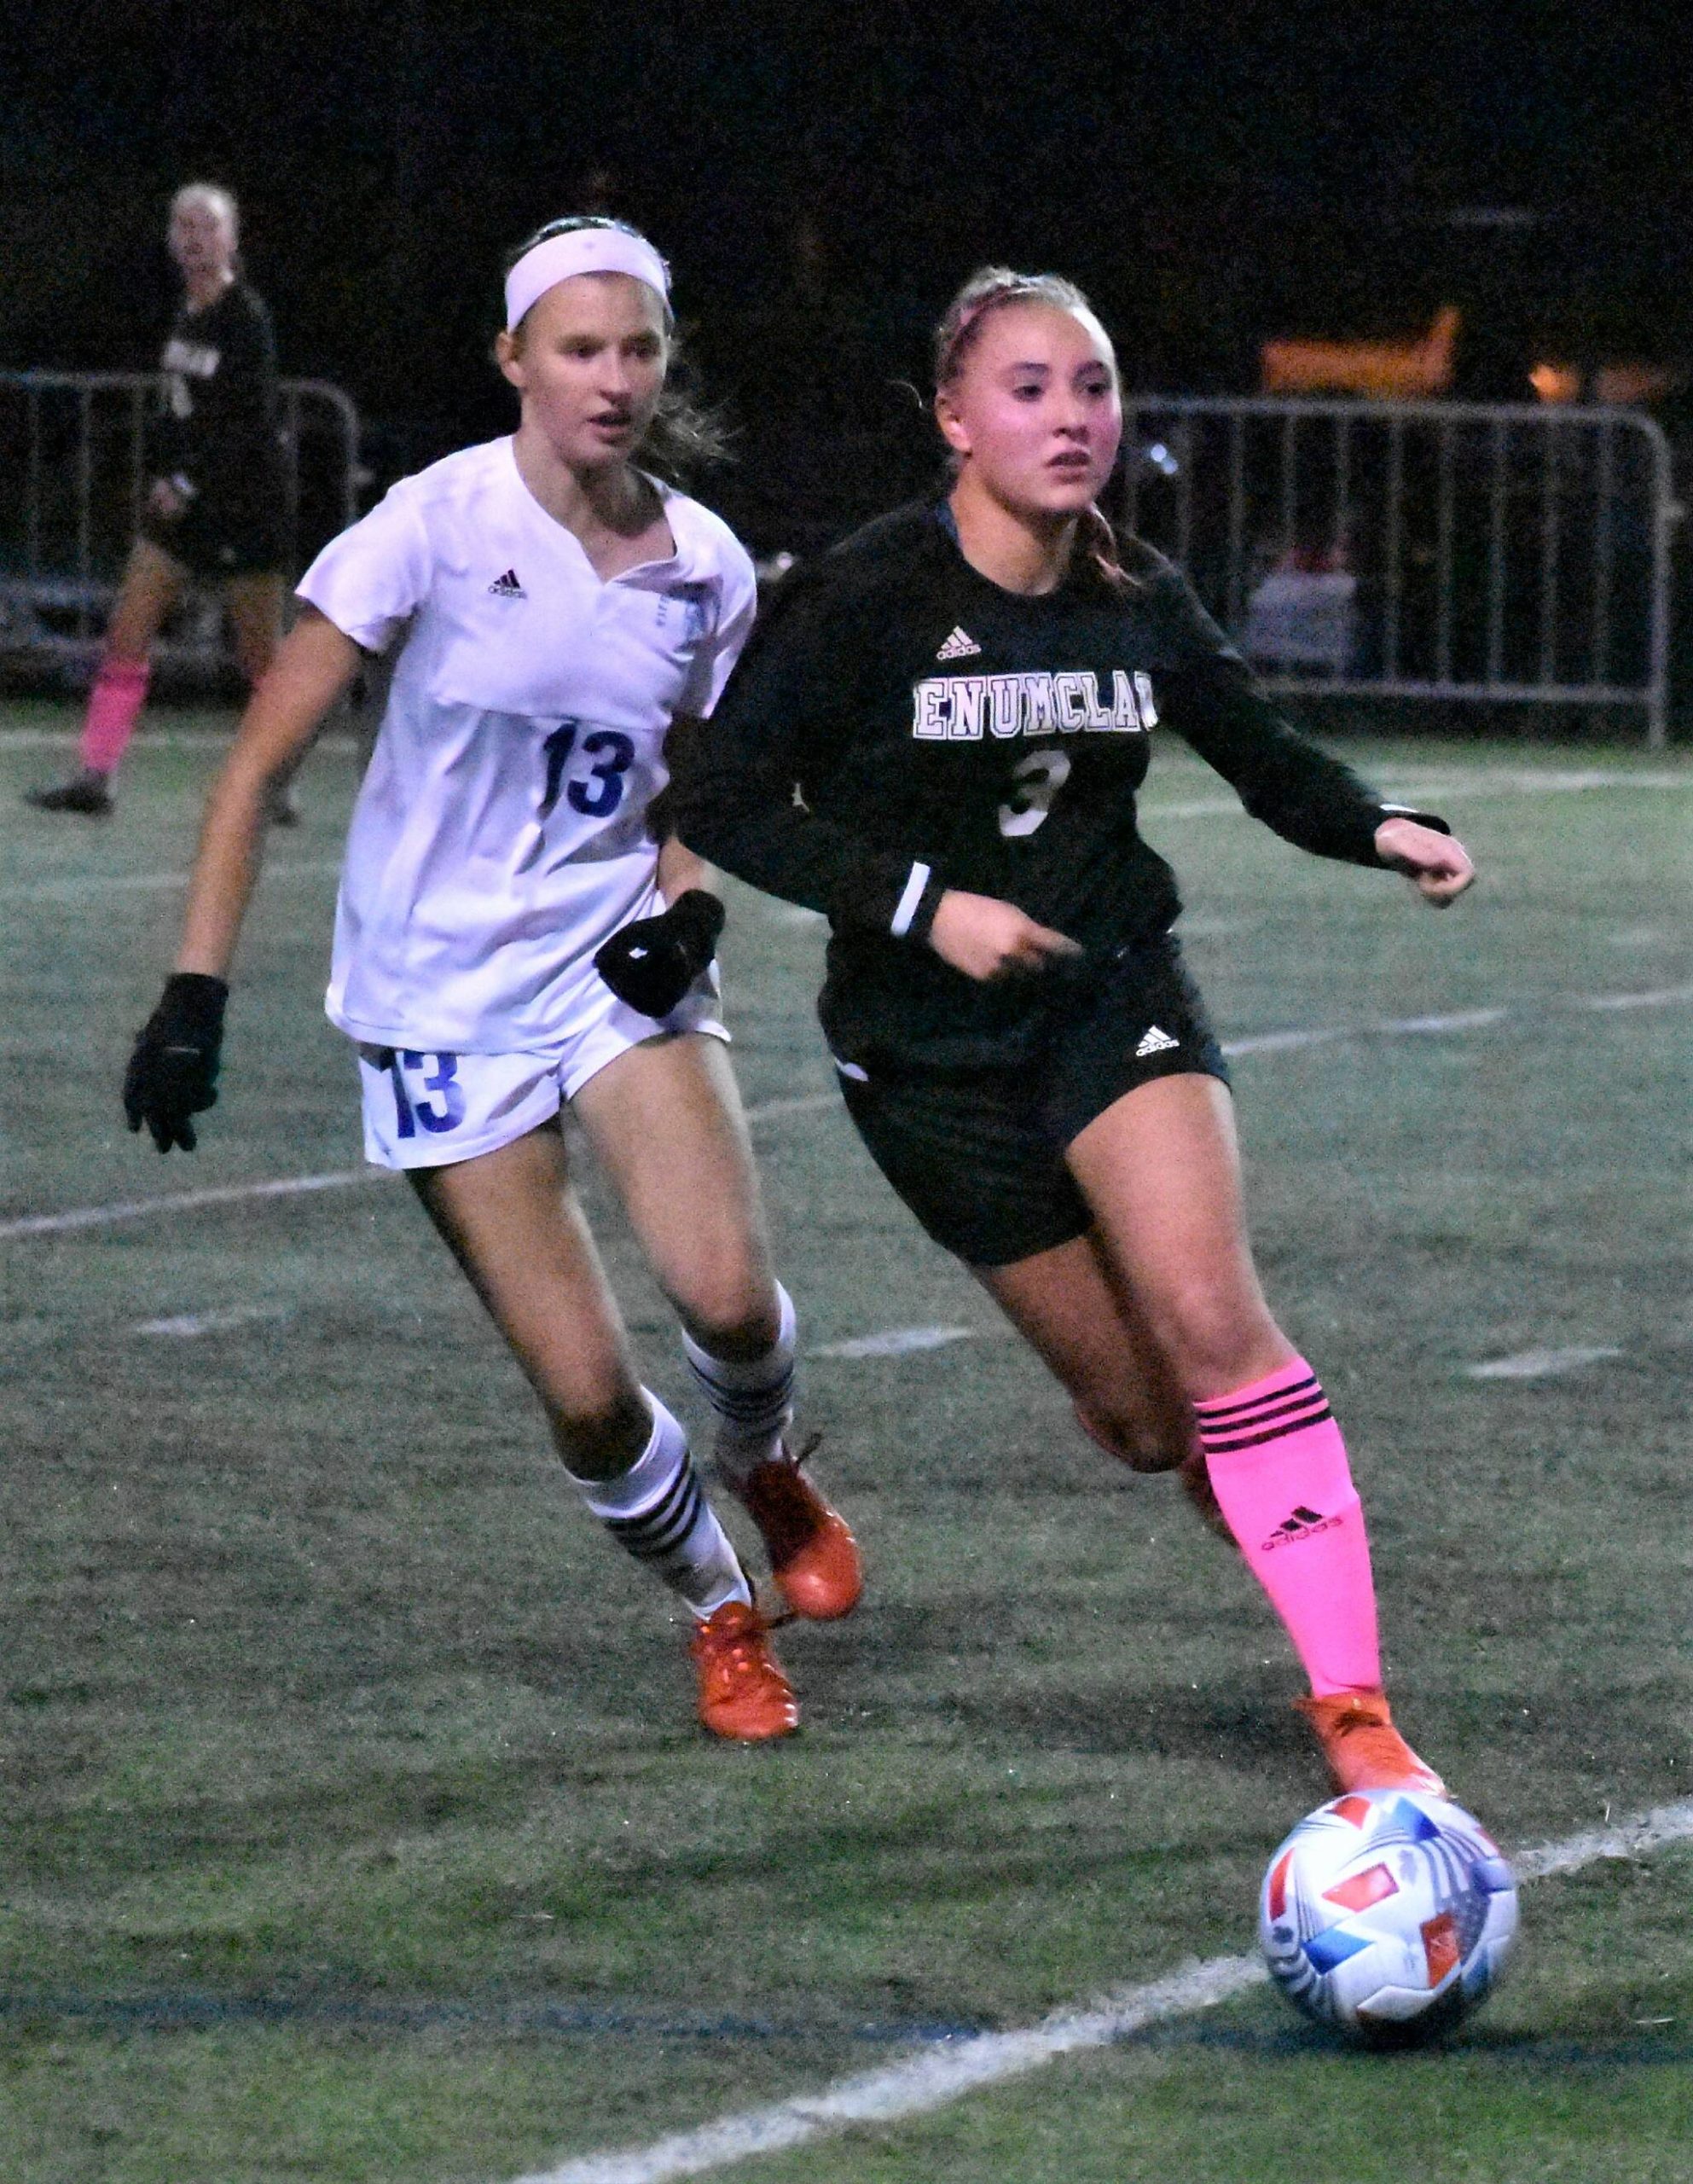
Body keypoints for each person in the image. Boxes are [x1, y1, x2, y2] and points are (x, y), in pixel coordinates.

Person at [675, 266, 1477, 1796]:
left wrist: (1379, 828)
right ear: (953, 418)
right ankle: (1271, 1532)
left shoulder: (1134, 594)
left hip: (1113, 997)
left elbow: (1264, 757)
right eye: (1030, 388)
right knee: (1148, 1423)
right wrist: (924, 906)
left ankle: (1356, 1713)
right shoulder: (866, 595)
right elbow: (716, 801)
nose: (1071, 418)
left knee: (1216, 1319)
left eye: (1093, 387)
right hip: (927, 1060)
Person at [119, 215, 862, 1742]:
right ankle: (720, 1610)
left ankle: (768, 1458)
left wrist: (687, 914)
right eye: (580, 350)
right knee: (587, 1395)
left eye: (639, 350)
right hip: (439, 992)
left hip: (610, 964)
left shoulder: (705, 565)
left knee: (728, 1300)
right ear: (514, 359)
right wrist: (195, 992)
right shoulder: (429, 526)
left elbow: (707, 791)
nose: (614, 380)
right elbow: (256, 766)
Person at [29, 183, 295, 822]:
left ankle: (279, 780)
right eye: (183, 226)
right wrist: (163, 473)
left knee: (261, 658)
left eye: (207, 226)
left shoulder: (244, 318)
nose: (193, 238)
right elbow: (183, 412)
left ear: (231, 238)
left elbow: (247, 425)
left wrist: (188, 483)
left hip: (241, 508)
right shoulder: (184, 313)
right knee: (127, 633)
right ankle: (95, 778)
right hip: (180, 512)